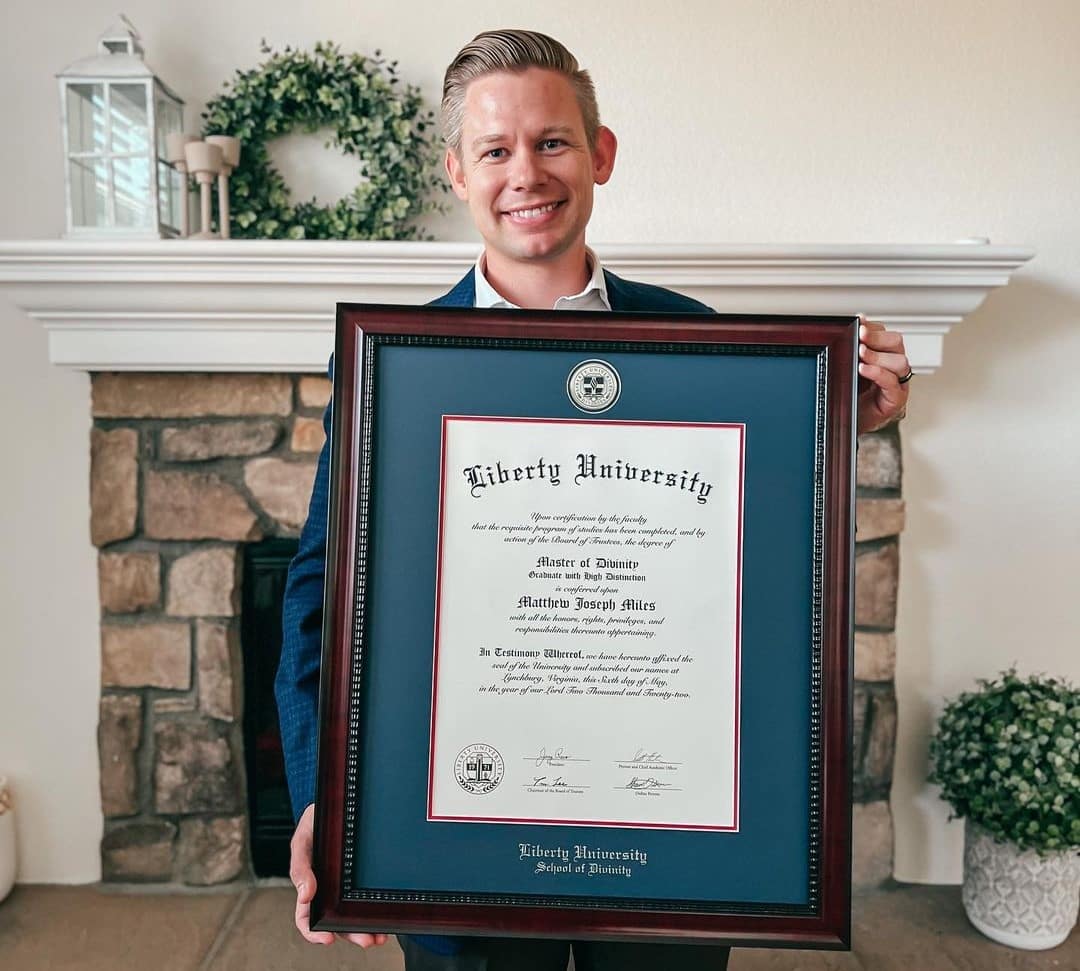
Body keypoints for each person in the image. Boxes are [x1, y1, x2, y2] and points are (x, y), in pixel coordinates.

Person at [276, 28, 912, 971]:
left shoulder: (708, 346)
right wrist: (323, 794)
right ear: (457, 171)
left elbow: (753, 571)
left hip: (669, 857)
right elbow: (321, 586)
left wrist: (827, 427)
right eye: (494, 149)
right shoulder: (392, 366)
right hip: (454, 849)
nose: (524, 172)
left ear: (601, 153)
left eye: (552, 141)